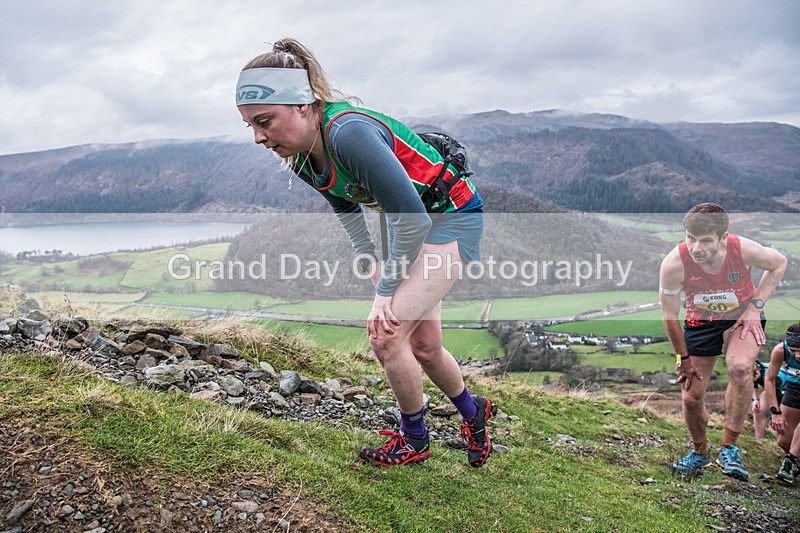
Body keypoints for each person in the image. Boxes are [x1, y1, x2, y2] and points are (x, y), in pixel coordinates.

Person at [235, 39, 494, 467]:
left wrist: (385, 291)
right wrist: (369, 261)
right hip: (407, 224)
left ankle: (415, 440)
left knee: (386, 334)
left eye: (265, 121)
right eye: (250, 125)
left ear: (302, 105)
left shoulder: (348, 133)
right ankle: (474, 413)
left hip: (450, 220)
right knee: (425, 346)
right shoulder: (300, 154)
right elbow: (343, 204)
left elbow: (415, 221)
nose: (259, 137)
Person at [659, 203, 787, 481]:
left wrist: (756, 307)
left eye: (706, 241)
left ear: (723, 237)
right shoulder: (673, 264)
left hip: (741, 317)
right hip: (700, 322)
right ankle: (700, 452)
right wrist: (682, 358)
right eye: (691, 239)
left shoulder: (743, 250)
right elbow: (669, 315)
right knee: (691, 397)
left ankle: (730, 448)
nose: (696, 248)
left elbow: (779, 263)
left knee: (740, 369)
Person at [764, 323, 800, 482]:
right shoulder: (780, 350)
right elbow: (769, 379)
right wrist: (775, 411)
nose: (798, 356)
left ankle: (789, 461)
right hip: (795, 388)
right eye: (793, 351)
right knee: (784, 441)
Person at [751, 360, 789, 439]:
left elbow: (777, 397)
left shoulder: (773, 377)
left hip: (785, 389)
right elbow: (754, 385)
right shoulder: (753, 369)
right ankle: (759, 438)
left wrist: (775, 413)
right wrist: (755, 399)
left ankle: (782, 439)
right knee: (759, 410)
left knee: (783, 418)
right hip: (770, 388)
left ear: (758, 373)